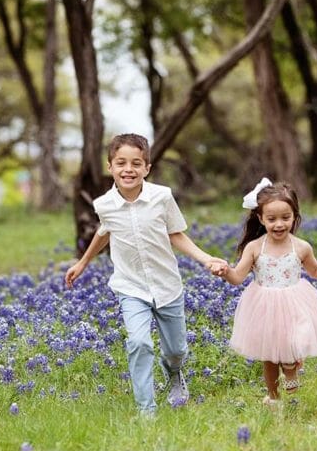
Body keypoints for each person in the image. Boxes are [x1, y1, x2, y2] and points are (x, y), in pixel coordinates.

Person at [64, 133, 228, 416]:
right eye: (121, 163)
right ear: (110, 167)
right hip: (130, 287)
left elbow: (176, 234)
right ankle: (146, 409)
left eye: (136, 163)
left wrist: (205, 259)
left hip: (166, 285)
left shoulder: (162, 197)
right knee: (138, 342)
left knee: (176, 350)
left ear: (147, 168)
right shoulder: (104, 204)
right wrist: (83, 262)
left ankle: (175, 374)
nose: (128, 169)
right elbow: (104, 231)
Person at [215, 179, 317, 405]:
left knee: (294, 340)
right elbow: (237, 277)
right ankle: (273, 397)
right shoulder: (254, 248)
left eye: (285, 218)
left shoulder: (301, 246)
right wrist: (224, 271)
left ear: (295, 216)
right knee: (269, 356)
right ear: (260, 219)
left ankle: (291, 367)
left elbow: (316, 270)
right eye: (271, 219)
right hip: (263, 305)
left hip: (294, 301)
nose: (279, 224)